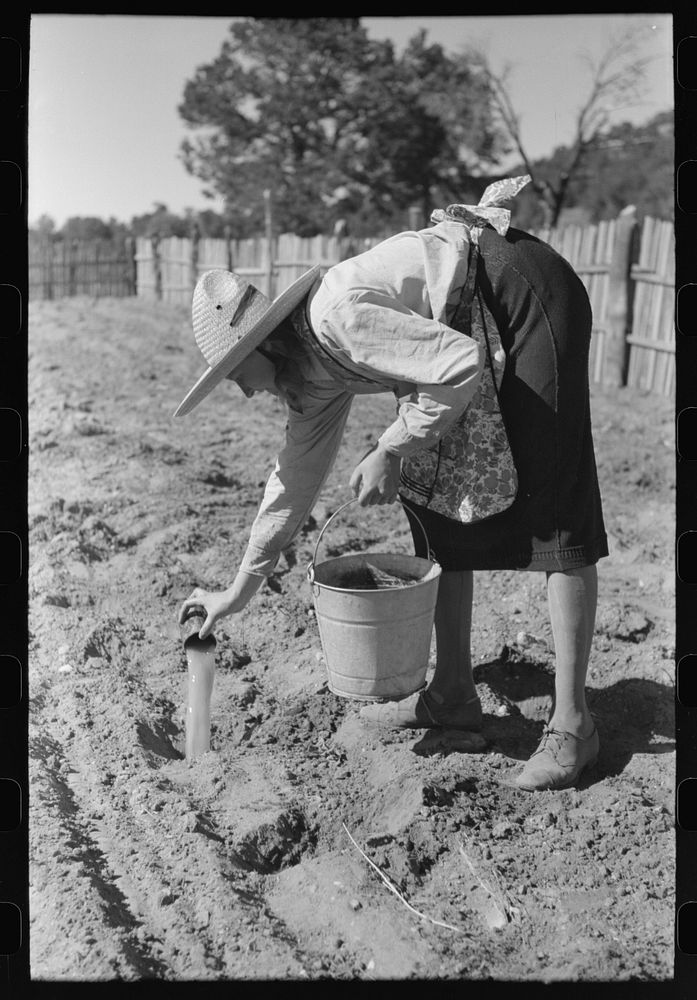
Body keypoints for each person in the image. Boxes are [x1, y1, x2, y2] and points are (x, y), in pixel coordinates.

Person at [175, 176, 608, 792]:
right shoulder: (310, 379)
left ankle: (574, 727)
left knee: (553, 508)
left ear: (265, 342)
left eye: (237, 373)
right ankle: (453, 693)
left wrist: (391, 445)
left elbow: (459, 365)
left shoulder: (336, 318)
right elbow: (291, 484)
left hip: (519, 293)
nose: (242, 390)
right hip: (460, 324)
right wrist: (236, 591)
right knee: (431, 503)